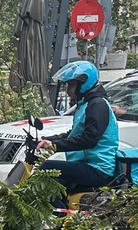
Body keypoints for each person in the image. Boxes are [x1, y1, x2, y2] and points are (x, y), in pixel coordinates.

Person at [36, 60, 118, 195]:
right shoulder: (84, 104)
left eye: (72, 84)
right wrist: (46, 139)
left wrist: (55, 145)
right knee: (54, 186)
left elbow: (90, 139)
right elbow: (73, 133)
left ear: (84, 83)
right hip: (85, 163)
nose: (68, 89)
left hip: (98, 168)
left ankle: (57, 214)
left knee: (47, 168)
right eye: (67, 84)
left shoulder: (97, 105)